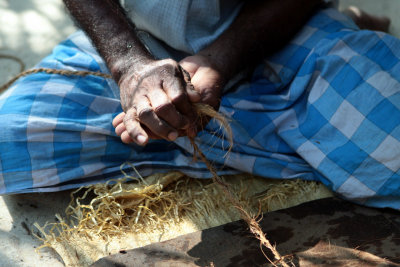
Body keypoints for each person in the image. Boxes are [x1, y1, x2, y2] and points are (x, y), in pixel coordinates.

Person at [0, 0, 399, 210]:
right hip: (137, 41)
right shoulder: (130, 59)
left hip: (285, 38)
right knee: (9, 142)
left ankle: (189, 136)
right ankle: (263, 138)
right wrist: (129, 67)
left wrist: (217, 61)